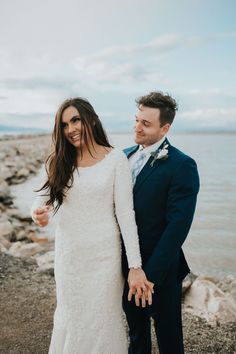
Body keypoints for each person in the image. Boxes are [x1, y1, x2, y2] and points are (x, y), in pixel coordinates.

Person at [31, 97, 153, 354]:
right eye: (64, 125)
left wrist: (135, 266)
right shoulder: (58, 161)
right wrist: (37, 214)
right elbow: (40, 202)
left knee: (102, 322)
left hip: (104, 261)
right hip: (69, 259)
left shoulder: (116, 159)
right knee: (71, 318)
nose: (71, 129)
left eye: (75, 120)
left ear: (91, 120)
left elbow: (125, 214)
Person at [122, 91, 200, 354]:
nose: (137, 127)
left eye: (146, 123)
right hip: (125, 267)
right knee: (136, 336)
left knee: (169, 340)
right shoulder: (124, 156)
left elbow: (177, 226)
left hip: (161, 273)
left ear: (165, 128)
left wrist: (149, 277)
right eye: (136, 120)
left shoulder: (182, 165)